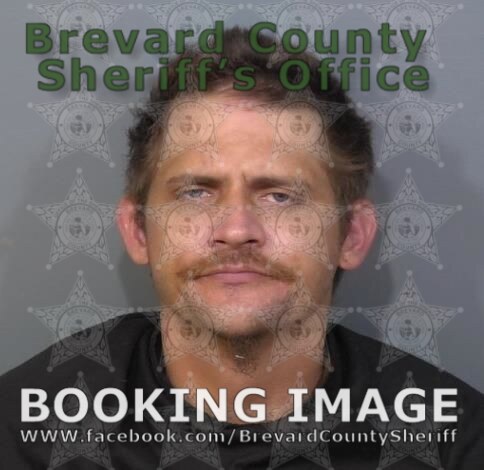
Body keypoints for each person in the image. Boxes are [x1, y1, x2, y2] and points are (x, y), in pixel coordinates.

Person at [1, 27, 483, 469]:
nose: (235, 230)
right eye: (195, 193)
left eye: (281, 196)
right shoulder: (22, 433)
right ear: (138, 230)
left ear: (352, 234)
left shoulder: (453, 442)